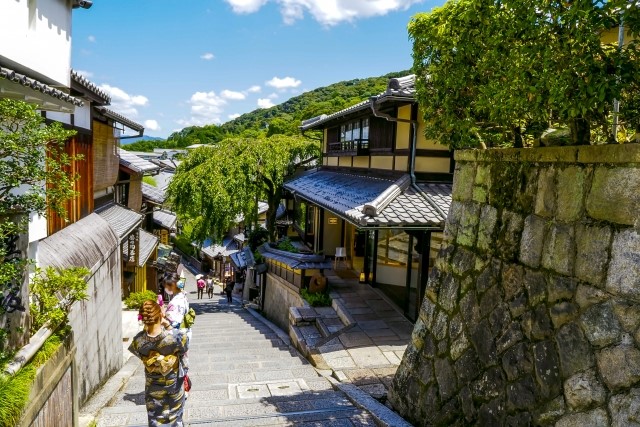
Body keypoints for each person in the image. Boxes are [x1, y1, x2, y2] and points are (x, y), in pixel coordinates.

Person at [128, 300, 189, 427]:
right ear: (160, 315)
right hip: (173, 384)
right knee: (175, 418)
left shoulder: (138, 341)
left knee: (155, 419)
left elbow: (138, 353)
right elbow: (184, 346)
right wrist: (167, 325)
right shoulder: (174, 337)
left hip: (152, 386)